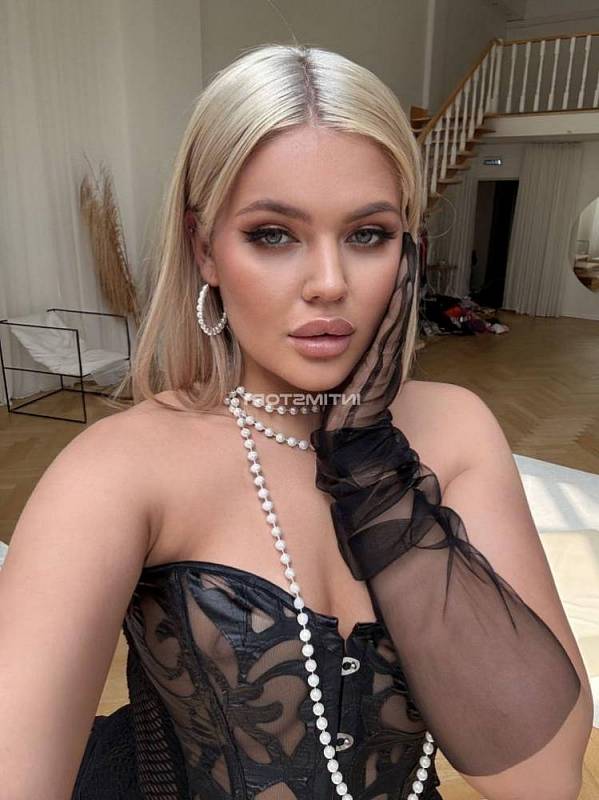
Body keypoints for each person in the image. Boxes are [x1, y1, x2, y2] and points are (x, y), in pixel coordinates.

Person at [0, 42, 593, 800]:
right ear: (204, 249)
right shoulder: (118, 469)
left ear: (407, 252)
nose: (329, 283)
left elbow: (543, 783)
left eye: (368, 235)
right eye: (273, 234)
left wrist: (376, 467)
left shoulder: (455, 430)